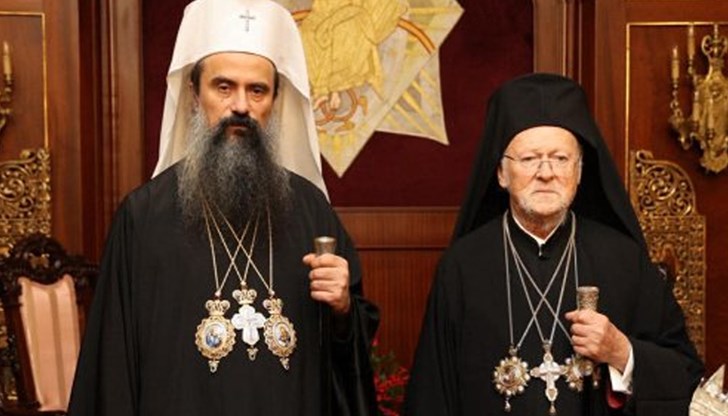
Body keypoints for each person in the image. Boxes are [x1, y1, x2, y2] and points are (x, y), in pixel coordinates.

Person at [67, 0, 379, 415]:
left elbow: (347, 358)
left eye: (257, 90)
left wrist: (342, 309)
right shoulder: (143, 218)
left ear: (275, 100)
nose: (241, 106)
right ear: (195, 95)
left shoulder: (311, 210)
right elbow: (113, 366)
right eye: (224, 87)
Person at [403, 73, 703, 416]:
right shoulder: (462, 267)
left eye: (561, 159)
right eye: (529, 159)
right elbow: (432, 396)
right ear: (501, 173)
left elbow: (686, 375)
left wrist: (621, 352)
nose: (546, 173)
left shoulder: (623, 260)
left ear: (579, 171)